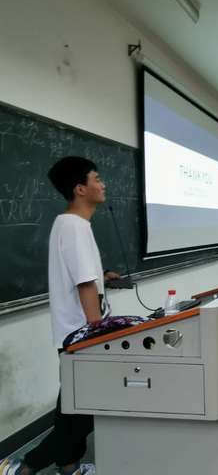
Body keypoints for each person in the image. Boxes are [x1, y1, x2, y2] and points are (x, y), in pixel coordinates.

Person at [1, 157, 119, 475]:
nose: (103, 184)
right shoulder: (74, 227)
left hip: (75, 335)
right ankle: (23, 467)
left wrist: (103, 276)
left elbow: (83, 277)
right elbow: (84, 284)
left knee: (72, 410)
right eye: (96, 178)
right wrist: (98, 334)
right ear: (80, 189)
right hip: (81, 337)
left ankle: (69, 467)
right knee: (83, 413)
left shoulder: (71, 224)